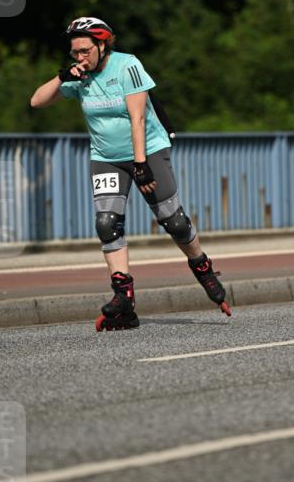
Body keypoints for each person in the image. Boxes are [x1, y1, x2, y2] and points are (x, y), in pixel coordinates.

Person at [30, 17, 231, 330]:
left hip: (147, 151)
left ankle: (201, 265)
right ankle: (123, 298)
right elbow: (37, 101)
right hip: (106, 157)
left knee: (174, 221)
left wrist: (141, 165)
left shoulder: (127, 66)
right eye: (74, 52)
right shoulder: (79, 76)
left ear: (102, 45)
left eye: (84, 51)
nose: (79, 57)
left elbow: (137, 118)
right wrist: (61, 77)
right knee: (107, 223)